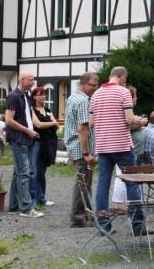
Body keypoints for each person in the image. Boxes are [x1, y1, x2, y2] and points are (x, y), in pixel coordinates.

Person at [90, 66, 148, 235]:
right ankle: (138, 226)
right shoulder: (123, 92)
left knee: (103, 184)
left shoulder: (96, 94)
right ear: (122, 77)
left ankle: (103, 226)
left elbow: (91, 123)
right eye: (125, 79)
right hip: (121, 145)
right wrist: (140, 121)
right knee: (131, 183)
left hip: (103, 146)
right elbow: (129, 120)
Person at [4, 72, 43, 218]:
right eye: (30, 80)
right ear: (22, 80)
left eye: (33, 80)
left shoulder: (25, 96)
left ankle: (14, 206)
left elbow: (27, 117)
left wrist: (32, 130)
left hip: (26, 138)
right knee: (24, 173)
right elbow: (9, 120)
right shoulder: (13, 96)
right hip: (18, 139)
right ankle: (26, 209)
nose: (33, 82)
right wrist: (27, 130)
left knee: (18, 173)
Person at [64, 72, 99, 228]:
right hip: (81, 149)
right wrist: (86, 153)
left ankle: (85, 214)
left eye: (96, 85)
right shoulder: (84, 101)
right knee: (83, 183)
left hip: (73, 145)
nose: (95, 88)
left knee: (82, 182)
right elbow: (82, 128)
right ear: (83, 83)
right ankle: (78, 218)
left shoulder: (73, 97)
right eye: (93, 85)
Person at [112, 85, 143, 208]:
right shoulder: (124, 110)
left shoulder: (127, 110)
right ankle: (120, 204)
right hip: (124, 147)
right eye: (135, 96)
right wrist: (139, 123)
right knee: (123, 175)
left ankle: (126, 203)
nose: (136, 99)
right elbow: (124, 126)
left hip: (129, 148)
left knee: (125, 175)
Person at [30, 86, 60, 207]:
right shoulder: (32, 110)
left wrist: (51, 123)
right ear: (34, 97)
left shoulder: (47, 109)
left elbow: (57, 125)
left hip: (49, 143)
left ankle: (41, 197)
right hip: (38, 143)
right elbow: (38, 125)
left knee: (42, 171)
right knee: (36, 171)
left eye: (44, 94)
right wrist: (52, 123)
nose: (43, 97)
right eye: (40, 94)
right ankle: (35, 198)